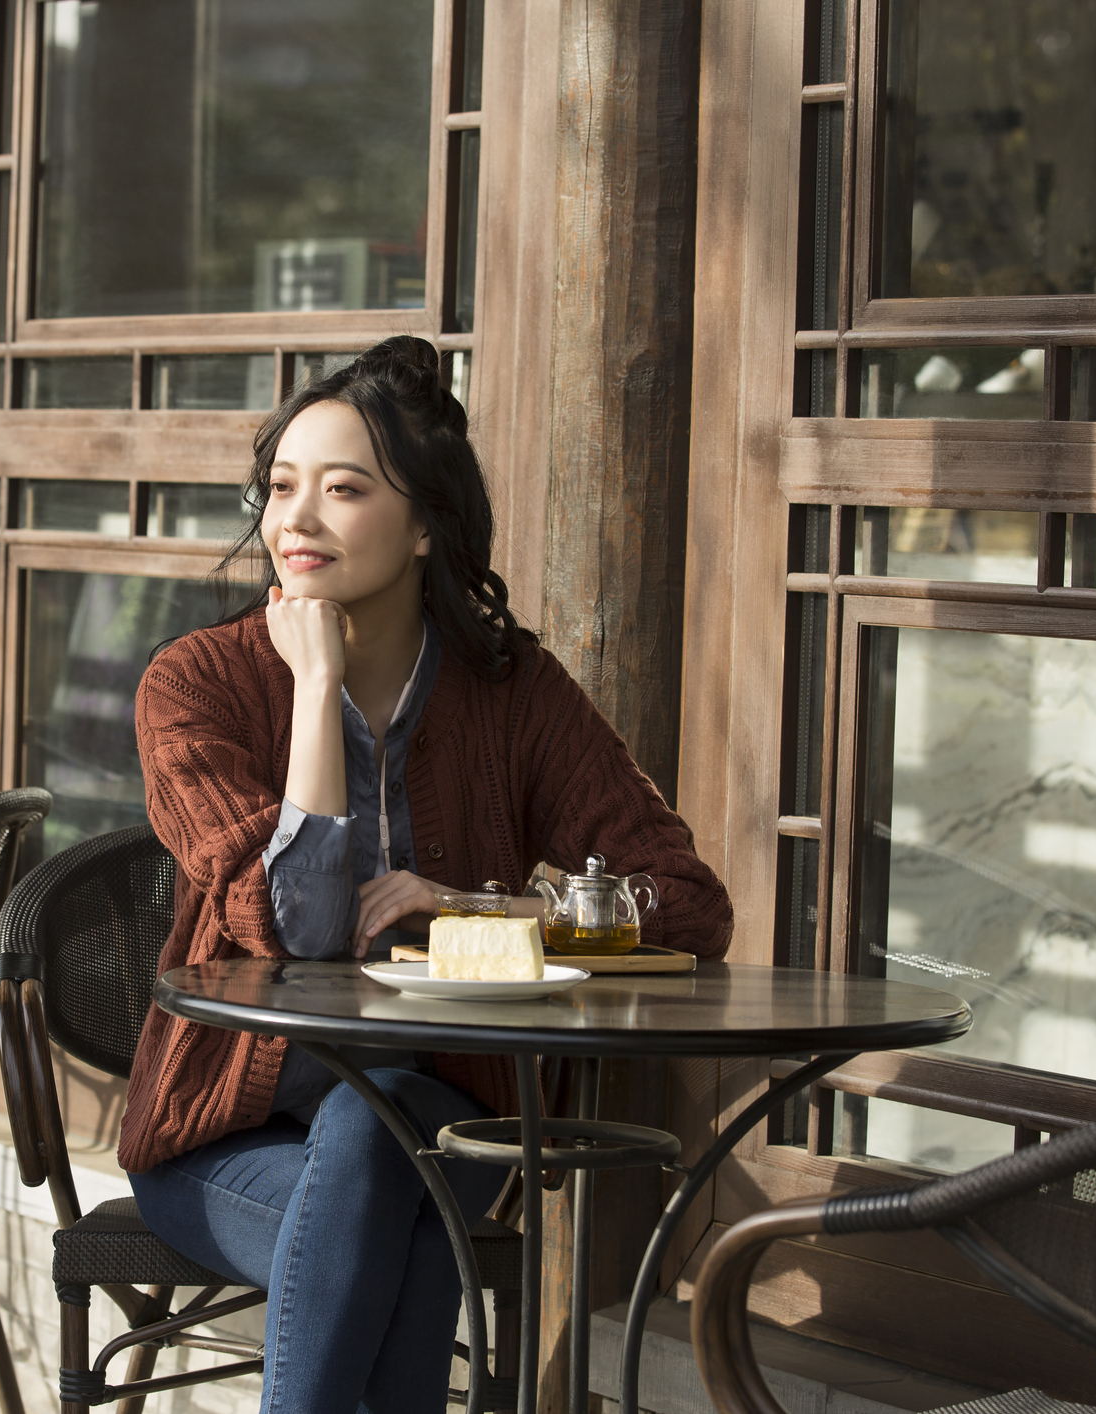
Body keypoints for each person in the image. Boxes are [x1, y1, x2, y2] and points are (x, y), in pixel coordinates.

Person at [123, 335, 733, 1413]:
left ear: (422, 529)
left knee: (384, 1121)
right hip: (223, 1143)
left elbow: (686, 903)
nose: (294, 520)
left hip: (446, 1125)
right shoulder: (199, 684)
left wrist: (492, 913)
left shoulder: (513, 694)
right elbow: (296, 924)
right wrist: (313, 691)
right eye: (280, 487)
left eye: (343, 490)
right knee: (390, 1194)